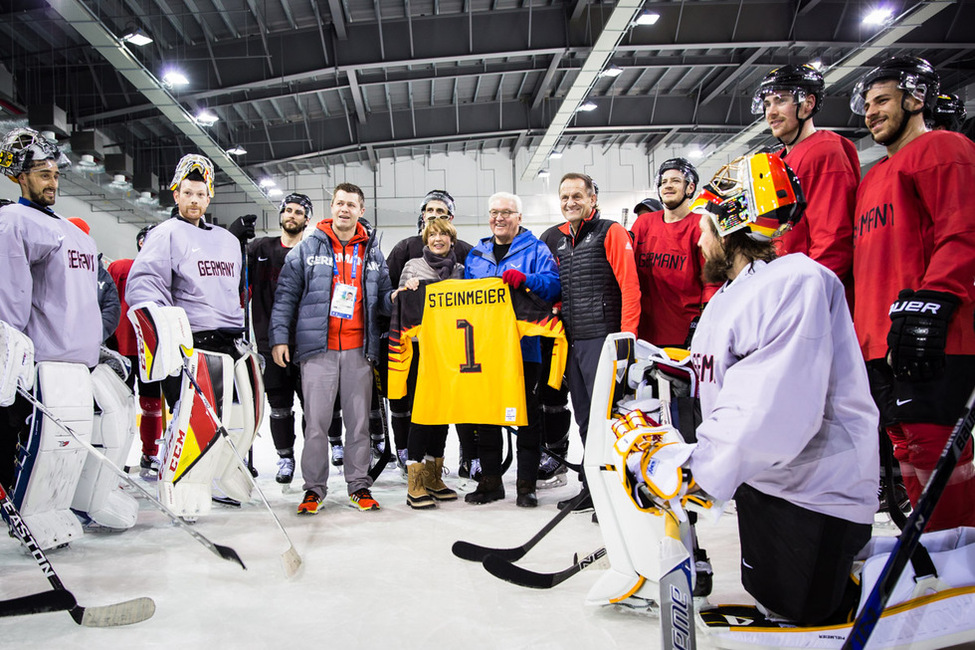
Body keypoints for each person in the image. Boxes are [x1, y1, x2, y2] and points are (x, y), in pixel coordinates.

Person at [626, 153, 878, 625]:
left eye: (704, 224)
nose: (699, 239)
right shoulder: (735, 290)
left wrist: (697, 469)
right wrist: (660, 366)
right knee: (771, 597)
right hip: (771, 480)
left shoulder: (793, 283)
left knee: (805, 619)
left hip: (815, 491)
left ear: (728, 224)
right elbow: (726, 369)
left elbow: (770, 404)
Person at [850, 56, 975, 531]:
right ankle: (937, 565)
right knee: (907, 452)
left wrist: (935, 300)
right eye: (866, 104)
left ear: (914, 99)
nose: (871, 112)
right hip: (881, 340)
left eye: (882, 100)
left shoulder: (944, 147)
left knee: (938, 454)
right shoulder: (874, 177)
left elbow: (963, 231)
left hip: (933, 335)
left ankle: (960, 563)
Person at [125, 154, 261, 516]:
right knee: (194, 421)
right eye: (188, 193)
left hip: (229, 340)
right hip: (193, 342)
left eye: (201, 194)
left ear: (209, 196)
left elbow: (234, 291)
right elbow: (144, 284)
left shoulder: (227, 241)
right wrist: (162, 324)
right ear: (176, 194)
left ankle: (223, 473)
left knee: (242, 418)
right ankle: (184, 485)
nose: (194, 200)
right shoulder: (165, 234)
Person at [0, 127, 101, 546]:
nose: (52, 182)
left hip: (76, 360)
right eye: (43, 174)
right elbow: (11, 294)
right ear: (19, 176)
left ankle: (56, 511)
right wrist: (10, 353)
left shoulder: (74, 231)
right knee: (38, 451)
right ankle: (23, 514)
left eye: (55, 174)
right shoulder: (13, 222)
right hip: (41, 361)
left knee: (67, 451)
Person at [270, 183, 392, 515]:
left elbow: (383, 297)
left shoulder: (372, 252)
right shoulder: (307, 247)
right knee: (316, 424)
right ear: (332, 206)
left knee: (359, 424)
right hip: (318, 350)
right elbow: (285, 297)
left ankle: (358, 484)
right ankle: (314, 489)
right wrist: (279, 337)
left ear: (361, 211)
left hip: (358, 351)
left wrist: (396, 299)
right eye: (339, 203)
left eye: (351, 205)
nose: (344, 209)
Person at [541, 173, 640, 511]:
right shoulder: (560, 241)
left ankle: (617, 493)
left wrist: (628, 341)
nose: (570, 202)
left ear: (592, 199)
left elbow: (630, 287)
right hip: (573, 341)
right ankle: (593, 488)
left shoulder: (610, 232)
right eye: (565, 196)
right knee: (584, 417)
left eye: (577, 196)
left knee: (609, 420)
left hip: (604, 338)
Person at [460, 191, 560, 507]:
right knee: (487, 416)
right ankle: (491, 483)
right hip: (484, 349)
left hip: (524, 348)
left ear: (519, 217)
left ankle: (526, 485)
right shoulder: (476, 255)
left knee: (527, 417)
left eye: (506, 212)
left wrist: (527, 279)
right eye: (494, 212)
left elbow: (553, 285)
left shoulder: (536, 249)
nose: (499, 218)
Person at [385, 189, 474, 473]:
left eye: (442, 214)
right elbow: (388, 294)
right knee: (413, 404)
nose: (435, 219)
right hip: (417, 346)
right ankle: (410, 459)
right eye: (430, 212)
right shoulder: (405, 253)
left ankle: (456, 459)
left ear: (451, 223)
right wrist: (400, 296)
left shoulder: (464, 257)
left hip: (453, 348)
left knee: (453, 406)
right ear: (422, 216)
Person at [751, 63, 859, 287]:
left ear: (808, 103)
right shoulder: (776, 161)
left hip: (808, 293)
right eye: (767, 103)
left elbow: (833, 239)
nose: (771, 112)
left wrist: (809, 293)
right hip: (783, 286)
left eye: (781, 100)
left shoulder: (824, 151)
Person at [390, 218, 466, 508]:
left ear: (451, 240)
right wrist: (407, 289)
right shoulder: (412, 266)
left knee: (442, 415)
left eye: (443, 235)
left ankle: (435, 477)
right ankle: (415, 484)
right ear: (426, 239)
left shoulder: (460, 271)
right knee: (422, 413)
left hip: (448, 350)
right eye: (432, 235)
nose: (438, 239)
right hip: (420, 351)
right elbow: (398, 302)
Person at [247, 193, 311, 485]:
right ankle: (285, 457)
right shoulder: (260, 248)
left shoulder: (312, 251)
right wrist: (235, 241)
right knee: (280, 406)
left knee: (314, 407)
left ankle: (313, 457)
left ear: (306, 219)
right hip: (269, 344)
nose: (292, 215)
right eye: (288, 210)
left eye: (298, 212)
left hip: (307, 345)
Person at [630, 158, 717, 348]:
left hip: (683, 335)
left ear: (690, 187)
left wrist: (704, 321)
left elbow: (712, 280)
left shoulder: (700, 225)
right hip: (642, 334)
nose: (668, 186)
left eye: (675, 181)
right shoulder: (643, 224)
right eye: (664, 182)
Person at [108, 225, 165, 475]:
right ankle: (116, 454)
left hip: (152, 348)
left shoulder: (163, 272)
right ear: (141, 243)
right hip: (123, 346)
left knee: (151, 404)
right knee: (118, 403)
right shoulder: (121, 267)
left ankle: (150, 454)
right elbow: (107, 301)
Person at [66, 217, 121, 343]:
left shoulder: (101, 276)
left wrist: (93, 337)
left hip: (89, 346)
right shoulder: (53, 267)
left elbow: (111, 310)